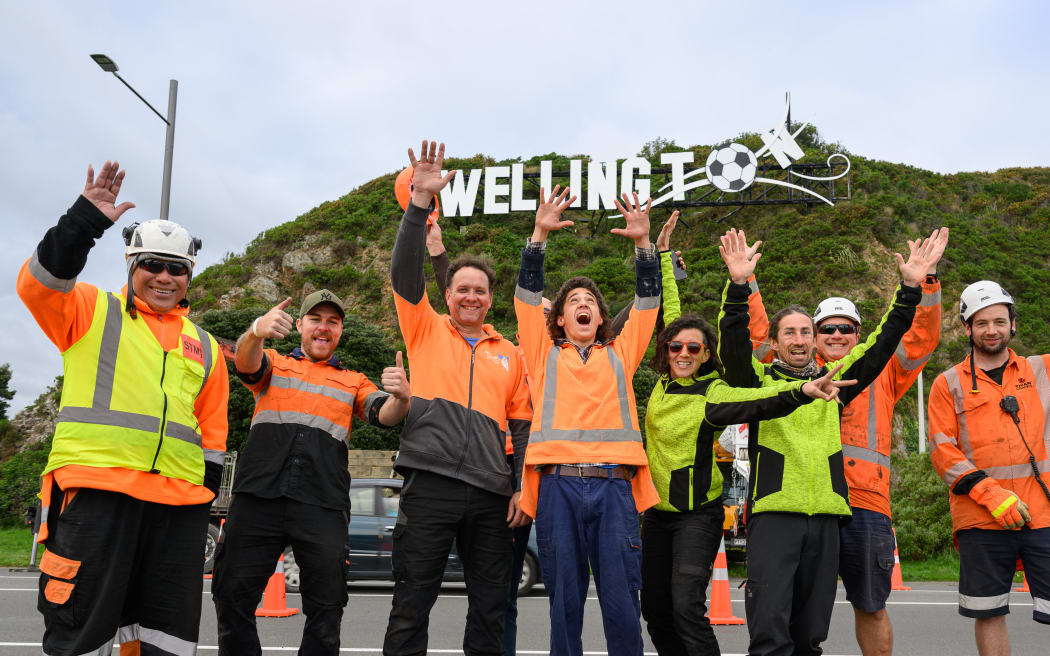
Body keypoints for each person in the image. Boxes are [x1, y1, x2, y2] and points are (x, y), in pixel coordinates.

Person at [17, 161, 229, 656]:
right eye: (152, 264)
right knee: (82, 634)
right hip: (97, 498)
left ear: (189, 276)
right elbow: (39, 282)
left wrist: (205, 505)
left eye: (176, 269)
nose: (164, 276)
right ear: (132, 266)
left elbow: (213, 432)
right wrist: (85, 220)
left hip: (177, 511)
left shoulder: (206, 345)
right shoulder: (89, 309)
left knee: (165, 641)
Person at [716, 227, 946, 656]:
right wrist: (738, 285)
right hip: (775, 517)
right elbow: (733, 346)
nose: (802, 339)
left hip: (830, 516)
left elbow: (884, 342)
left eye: (807, 332)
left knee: (810, 637)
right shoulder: (759, 382)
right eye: (794, 332)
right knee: (769, 633)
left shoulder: (837, 385)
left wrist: (912, 286)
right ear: (776, 343)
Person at [641, 216, 861, 656]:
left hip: (696, 513)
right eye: (675, 347)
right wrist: (659, 256)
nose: (683, 352)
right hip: (655, 512)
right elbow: (671, 313)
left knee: (687, 608)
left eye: (694, 348)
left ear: (707, 355)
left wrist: (800, 390)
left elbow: (763, 402)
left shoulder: (716, 392)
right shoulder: (663, 383)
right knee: (656, 611)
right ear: (666, 349)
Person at [385, 140, 533, 656]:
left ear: (491, 300)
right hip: (430, 484)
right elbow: (405, 273)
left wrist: (521, 489)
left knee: (492, 610)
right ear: (447, 295)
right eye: (461, 288)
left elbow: (521, 428)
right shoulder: (424, 327)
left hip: (492, 495)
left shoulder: (510, 353)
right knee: (411, 606)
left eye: (480, 291)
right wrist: (419, 203)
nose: (470, 296)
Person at [211, 289, 409, 655]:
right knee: (231, 594)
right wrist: (256, 330)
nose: (324, 328)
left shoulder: (354, 381)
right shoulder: (273, 362)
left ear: (340, 331)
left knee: (327, 607)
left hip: (322, 504)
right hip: (258, 498)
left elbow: (383, 414)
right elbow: (245, 361)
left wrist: (401, 398)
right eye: (316, 319)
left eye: (333, 322)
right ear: (300, 325)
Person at [514, 186, 660, 656]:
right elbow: (526, 295)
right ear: (558, 318)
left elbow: (647, 304)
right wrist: (538, 235)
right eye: (572, 300)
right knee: (564, 604)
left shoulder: (621, 353)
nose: (582, 304)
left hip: (614, 488)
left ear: (599, 319)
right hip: (556, 487)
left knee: (621, 604)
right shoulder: (542, 353)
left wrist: (644, 246)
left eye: (590, 301)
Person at [425, 219, 539, 656]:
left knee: (498, 601)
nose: (546, 317)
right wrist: (437, 252)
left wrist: (522, 488)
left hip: (506, 483)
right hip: (476, 473)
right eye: (540, 310)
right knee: (437, 598)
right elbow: (456, 301)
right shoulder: (505, 350)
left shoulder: (536, 355)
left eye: (552, 314)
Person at [927, 280, 1050, 656]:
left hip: (1044, 513)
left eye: (999, 321)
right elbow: (943, 452)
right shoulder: (947, 383)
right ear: (967, 328)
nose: (991, 330)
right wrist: (992, 495)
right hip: (981, 517)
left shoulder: (1042, 370)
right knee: (989, 611)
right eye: (981, 323)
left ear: (1013, 324)